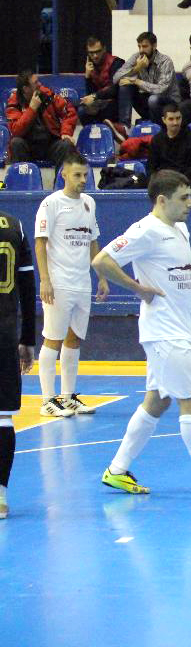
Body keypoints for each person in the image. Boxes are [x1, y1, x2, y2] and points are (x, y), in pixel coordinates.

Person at [93, 170, 191, 500]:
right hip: (163, 332)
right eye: (184, 198)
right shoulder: (145, 231)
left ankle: (117, 470)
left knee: (157, 400)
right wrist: (137, 288)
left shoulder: (179, 229)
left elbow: (189, 262)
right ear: (162, 200)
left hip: (176, 329)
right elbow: (101, 261)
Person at [34, 153, 108, 418]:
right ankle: (47, 400)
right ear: (64, 175)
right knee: (53, 338)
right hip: (59, 282)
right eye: (77, 175)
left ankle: (68, 396)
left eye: (85, 175)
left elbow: (93, 241)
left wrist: (100, 275)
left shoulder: (89, 203)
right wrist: (45, 280)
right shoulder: (51, 204)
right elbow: (40, 243)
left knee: (74, 339)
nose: (83, 180)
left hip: (81, 282)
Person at [0, 207, 37, 519]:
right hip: (4, 334)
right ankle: (0, 496)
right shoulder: (14, 225)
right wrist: (27, 338)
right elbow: (27, 286)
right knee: (2, 417)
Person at [5, 70, 77, 171]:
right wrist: (31, 109)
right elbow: (16, 131)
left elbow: (69, 111)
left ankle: (61, 180)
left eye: (38, 81)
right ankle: (23, 179)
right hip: (28, 147)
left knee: (66, 144)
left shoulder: (47, 94)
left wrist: (66, 132)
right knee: (16, 143)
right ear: (25, 89)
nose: (40, 84)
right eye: (35, 83)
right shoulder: (14, 103)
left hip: (50, 144)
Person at [114, 31, 182, 126]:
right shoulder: (136, 57)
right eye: (139, 46)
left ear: (154, 46)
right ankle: (124, 126)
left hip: (168, 103)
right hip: (147, 101)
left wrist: (137, 82)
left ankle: (158, 128)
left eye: (145, 46)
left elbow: (161, 89)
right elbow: (116, 78)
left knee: (153, 99)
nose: (141, 50)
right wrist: (137, 68)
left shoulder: (165, 61)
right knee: (125, 87)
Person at [148, 103, 191, 186]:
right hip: (164, 182)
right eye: (171, 119)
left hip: (186, 181)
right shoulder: (156, 140)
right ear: (164, 120)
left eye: (178, 118)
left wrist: (178, 180)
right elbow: (151, 167)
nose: (175, 122)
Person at [79, 37, 125, 130]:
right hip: (99, 103)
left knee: (106, 110)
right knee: (82, 110)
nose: (95, 56)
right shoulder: (90, 66)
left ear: (104, 49)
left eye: (98, 51)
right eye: (91, 53)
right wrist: (87, 77)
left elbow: (114, 89)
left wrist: (95, 96)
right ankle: (92, 135)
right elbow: (89, 94)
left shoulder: (116, 63)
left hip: (114, 103)